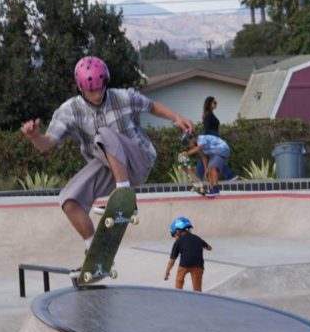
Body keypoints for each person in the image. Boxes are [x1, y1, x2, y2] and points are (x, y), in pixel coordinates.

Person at [21, 56, 193, 249]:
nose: (97, 94)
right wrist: (35, 137)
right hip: (108, 165)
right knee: (69, 200)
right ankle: (95, 252)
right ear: (81, 88)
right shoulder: (69, 111)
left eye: (100, 88)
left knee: (103, 134)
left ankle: (124, 196)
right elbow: (49, 142)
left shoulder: (123, 97)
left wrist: (176, 118)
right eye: (91, 90)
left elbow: (151, 106)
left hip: (138, 160)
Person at [163, 216, 212, 292]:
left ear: (177, 231)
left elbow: (172, 260)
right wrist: (204, 246)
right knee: (197, 290)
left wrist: (167, 272)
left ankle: (178, 293)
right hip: (198, 265)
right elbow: (209, 247)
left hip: (184, 265)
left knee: (179, 281)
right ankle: (198, 298)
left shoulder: (178, 242)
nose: (175, 238)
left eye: (174, 235)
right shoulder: (197, 238)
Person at [179, 132, 231, 196]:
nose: (187, 145)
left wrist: (187, 153)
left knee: (213, 167)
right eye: (185, 144)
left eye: (187, 143)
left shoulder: (201, 138)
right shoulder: (197, 145)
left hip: (222, 150)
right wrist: (206, 169)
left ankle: (215, 189)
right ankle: (212, 190)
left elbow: (199, 148)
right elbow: (204, 157)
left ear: (191, 138)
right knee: (209, 171)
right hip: (215, 154)